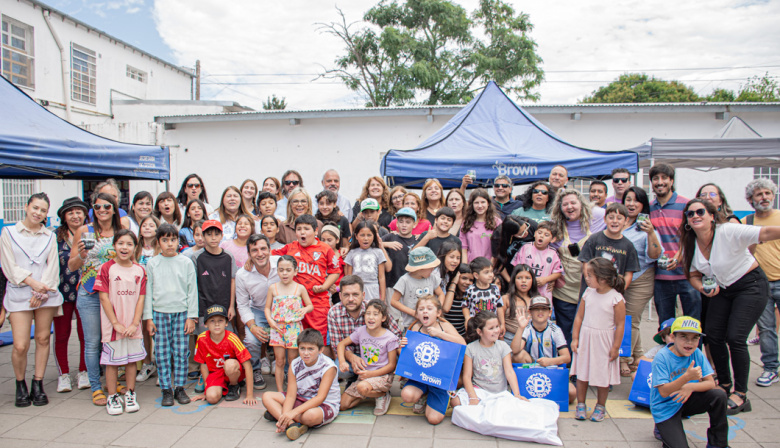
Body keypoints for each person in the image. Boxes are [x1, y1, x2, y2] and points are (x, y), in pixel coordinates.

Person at [678, 198, 780, 415]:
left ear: (712, 216)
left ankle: (741, 394)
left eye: (700, 212)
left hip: (750, 285)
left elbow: (766, 234)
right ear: (687, 220)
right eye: (690, 213)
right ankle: (724, 385)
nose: (695, 216)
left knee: (735, 337)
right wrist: (702, 289)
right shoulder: (690, 242)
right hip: (722, 289)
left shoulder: (728, 231)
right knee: (713, 335)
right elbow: (693, 274)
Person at [1, 193, 63, 407]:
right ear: (27, 207)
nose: (38, 213)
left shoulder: (49, 236)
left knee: (43, 338)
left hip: (45, 294)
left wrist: (42, 290)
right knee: (20, 344)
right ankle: (20, 383)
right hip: (20, 292)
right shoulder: (8, 233)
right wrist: (33, 285)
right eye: (35, 208)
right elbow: (9, 266)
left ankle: (38, 382)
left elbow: (53, 267)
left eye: (43, 210)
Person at [70, 192, 123, 405]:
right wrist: (82, 255)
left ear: (114, 209)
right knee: (92, 342)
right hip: (90, 292)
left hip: (115, 294)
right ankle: (95, 385)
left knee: (112, 340)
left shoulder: (121, 231)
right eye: (97, 207)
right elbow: (72, 266)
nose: (102, 211)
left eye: (107, 207)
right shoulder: (84, 231)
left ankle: (112, 380)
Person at [143, 223, 198, 406]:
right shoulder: (153, 263)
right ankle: (166, 388)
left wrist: (191, 316)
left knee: (181, 352)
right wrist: (148, 318)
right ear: (158, 242)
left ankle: (180, 388)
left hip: (181, 313)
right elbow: (148, 291)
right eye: (165, 240)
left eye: (173, 240)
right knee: (162, 352)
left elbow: (192, 291)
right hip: (160, 313)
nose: (169, 244)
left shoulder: (186, 262)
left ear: (177, 241)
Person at [651, 316, 727, 448]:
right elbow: (663, 392)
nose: (689, 342)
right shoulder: (662, 357)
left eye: (694, 338)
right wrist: (686, 378)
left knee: (719, 396)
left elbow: (711, 384)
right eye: (684, 336)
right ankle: (662, 427)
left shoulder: (696, 353)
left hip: (686, 399)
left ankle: (717, 444)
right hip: (665, 407)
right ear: (673, 338)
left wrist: (690, 386)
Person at [272, 214, 342, 354]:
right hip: (296, 302)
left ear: (316, 231)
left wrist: (324, 286)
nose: (302, 232)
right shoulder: (290, 247)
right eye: (299, 229)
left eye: (306, 229)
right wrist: (251, 259)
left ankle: (320, 371)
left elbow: (335, 271)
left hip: (318, 302)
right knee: (298, 339)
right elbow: (269, 255)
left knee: (317, 338)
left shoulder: (325, 249)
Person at [94, 229, 146, 415]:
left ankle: (130, 393)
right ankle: (112, 396)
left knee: (131, 361)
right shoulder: (106, 268)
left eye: (129, 244)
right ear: (114, 245)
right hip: (113, 326)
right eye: (121, 243)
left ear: (135, 247)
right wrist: (115, 323)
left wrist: (134, 323)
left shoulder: (140, 270)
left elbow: (141, 299)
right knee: (112, 362)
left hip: (132, 326)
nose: (125, 247)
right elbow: (104, 298)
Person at [571, 258, 626, 422]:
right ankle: (581, 404)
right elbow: (579, 317)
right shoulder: (588, 293)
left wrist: (616, 347)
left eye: (589, 275)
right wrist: (575, 338)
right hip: (586, 337)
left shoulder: (616, 299)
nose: (586, 278)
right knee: (582, 373)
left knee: (603, 376)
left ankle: (600, 406)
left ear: (602, 278)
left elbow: (620, 325)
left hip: (604, 340)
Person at [549, 188, 606, 347]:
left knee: (589, 331)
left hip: (590, 289)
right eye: (565, 204)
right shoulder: (556, 227)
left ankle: (586, 367)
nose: (569, 207)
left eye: (573, 202)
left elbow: (618, 217)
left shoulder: (597, 219)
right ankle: (569, 368)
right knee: (566, 332)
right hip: (564, 290)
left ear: (582, 204)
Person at [261, 329, 341, 440]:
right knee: (267, 396)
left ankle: (279, 415)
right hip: (301, 399)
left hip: (324, 405)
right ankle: (291, 424)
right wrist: (287, 416)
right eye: (302, 348)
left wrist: (291, 413)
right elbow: (290, 395)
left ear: (320, 350)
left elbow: (320, 398)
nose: (306, 353)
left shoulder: (328, 367)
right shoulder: (295, 364)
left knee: (310, 416)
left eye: (311, 349)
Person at [399, 295, 466, 424]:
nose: (425, 311)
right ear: (417, 313)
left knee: (434, 419)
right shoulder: (415, 327)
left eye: (429, 308)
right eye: (421, 309)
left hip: (440, 379)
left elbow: (462, 343)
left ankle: (440, 397)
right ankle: (423, 396)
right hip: (420, 375)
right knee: (407, 395)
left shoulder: (444, 326)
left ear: (438, 313)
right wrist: (403, 345)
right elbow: (409, 354)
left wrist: (439, 334)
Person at [649, 163, 700, 324]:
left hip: (687, 275)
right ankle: (668, 350)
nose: (660, 182)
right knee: (665, 325)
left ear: (671, 181)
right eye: (655, 178)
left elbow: (693, 237)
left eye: (664, 178)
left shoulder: (687, 205)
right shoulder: (649, 208)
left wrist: (679, 257)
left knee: (692, 324)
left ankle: (693, 351)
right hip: (661, 276)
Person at [327, 276, 402, 381]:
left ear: (363, 295)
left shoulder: (374, 309)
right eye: (346, 295)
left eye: (355, 294)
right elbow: (338, 344)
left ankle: (381, 381)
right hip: (354, 355)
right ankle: (356, 379)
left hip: (379, 355)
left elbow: (396, 334)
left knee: (396, 357)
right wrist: (352, 357)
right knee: (340, 369)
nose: (351, 299)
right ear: (340, 296)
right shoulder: (334, 313)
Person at [743, 179, 780, 387]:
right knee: (766, 329)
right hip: (761, 282)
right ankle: (771, 368)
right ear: (751, 199)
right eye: (759, 194)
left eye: (767, 193)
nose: (764, 197)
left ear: (773, 195)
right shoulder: (747, 221)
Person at [621, 186, 662, 374]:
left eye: (635, 200)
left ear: (643, 205)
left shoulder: (646, 226)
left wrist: (651, 233)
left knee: (630, 320)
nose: (631, 203)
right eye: (628, 199)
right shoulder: (618, 222)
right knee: (625, 319)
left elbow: (654, 255)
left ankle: (624, 359)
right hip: (619, 280)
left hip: (641, 279)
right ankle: (638, 356)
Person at [337, 299, 399, 416]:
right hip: (364, 377)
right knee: (343, 405)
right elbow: (341, 344)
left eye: (375, 314)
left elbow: (392, 365)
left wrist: (370, 375)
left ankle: (382, 395)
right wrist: (342, 362)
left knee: (362, 387)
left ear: (383, 318)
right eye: (368, 313)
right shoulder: (361, 331)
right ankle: (367, 393)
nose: (371, 317)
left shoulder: (390, 338)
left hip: (382, 376)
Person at [451, 310, 525, 407]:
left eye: (497, 326)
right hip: (479, 391)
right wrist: (472, 396)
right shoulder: (470, 348)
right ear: (479, 331)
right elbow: (467, 376)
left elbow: (509, 372)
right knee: (455, 402)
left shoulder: (503, 346)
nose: (496, 330)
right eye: (491, 328)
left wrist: (517, 394)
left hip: (499, 393)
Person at [53, 197, 89, 393]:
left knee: (86, 335)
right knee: (62, 334)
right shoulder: (56, 238)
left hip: (86, 291)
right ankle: (63, 374)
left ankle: (83, 371)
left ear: (85, 215)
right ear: (64, 217)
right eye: (71, 212)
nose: (75, 216)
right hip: (62, 292)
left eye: (79, 212)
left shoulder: (91, 234)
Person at [511, 295, 576, 403]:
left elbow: (567, 357)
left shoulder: (555, 330)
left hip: (551, 368)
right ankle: (525, 386)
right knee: (518, 355)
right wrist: (520, 328)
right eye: (536, 309)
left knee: (572, 393)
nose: (540, 312)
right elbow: (515, 350)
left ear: (550, 312)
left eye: (544, 309)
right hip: (531, 368)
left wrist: (550, 361)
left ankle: (546, 394)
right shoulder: (527, 327)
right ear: (530, 312)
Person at [266, 255, 314, 392]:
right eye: (281, 270)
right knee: (279, 360)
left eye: (288, 270)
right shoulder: (273, 288)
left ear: (295, 271)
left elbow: (310, 305)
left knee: (293, 360)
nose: (284, 273)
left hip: (293, 328)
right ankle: (280, 390)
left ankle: (293, 388)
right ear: (277, 271)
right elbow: (267, 307)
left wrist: (304, 309)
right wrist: (270, 320)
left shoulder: (300, 288)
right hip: (277, 328)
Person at [236, 234, 279, 387]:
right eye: (254, 251)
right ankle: (255, 370)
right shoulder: (242, 275)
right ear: (248, 254)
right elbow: (242, 305)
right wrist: (253, 326)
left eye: (263, 249)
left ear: (270, 250)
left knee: (290, 338)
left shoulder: (281, 264)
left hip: (281, 311)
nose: (260, 254)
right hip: (258, 311)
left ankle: (287, 370)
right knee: (251, 340)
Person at [192, 304, 256, 405]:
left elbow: (247, 365)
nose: (216, 324)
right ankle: (221, 387)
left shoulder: (232, 338)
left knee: (229, 364)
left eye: (220, 320)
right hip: (215, 374)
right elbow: (203, 365)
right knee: (211, 398)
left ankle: (234, 385)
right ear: (205, 324)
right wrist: (206, 389)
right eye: (212, 321)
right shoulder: (201, 339)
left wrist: (250, 395)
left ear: (226, 323)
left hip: (233, 371)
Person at [578, 203, 640, 293]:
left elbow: (628, 274)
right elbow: (586, 264)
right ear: (605, 219)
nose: (615, 221)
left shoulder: (628, 246)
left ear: (626, 221)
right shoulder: (594, 239)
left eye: (619, 218)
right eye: (611, 217)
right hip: (591, 291)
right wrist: (591, 284)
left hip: (613, 295)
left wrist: (618, 291)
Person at [391, 247, 445, 331]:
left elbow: (441, 294)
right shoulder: (404, 280)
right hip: (411, 324)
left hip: (431, 323)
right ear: (420, 268)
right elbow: (394, 301)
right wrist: (413, 313)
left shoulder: (432, 278)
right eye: (430, 267)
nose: (433, 269)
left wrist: (438, 308)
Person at [381, 208, 421, 322]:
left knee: (409, 318)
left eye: (408, 222)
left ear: (414, 224)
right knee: (393, 319)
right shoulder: (390, 237)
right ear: (396, 223)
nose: (404, 225)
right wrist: (386, 244)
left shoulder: (417, 240)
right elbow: (374, 243)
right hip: (392, 285)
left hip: (410, 286)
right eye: (401, 221)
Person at [511, 220, 562, 300]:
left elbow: (558, 272)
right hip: (524, 292)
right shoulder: (525, 248)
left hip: (543, 293)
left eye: (546, 235)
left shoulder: (553, 253)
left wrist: (545, 279)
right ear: (535, 233)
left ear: (552, 239)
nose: (541, 236)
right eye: (539, 233)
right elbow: (516, 267)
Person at [344, 220, 390, 303]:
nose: (366, 238)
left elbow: (381, 277)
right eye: (362, 235)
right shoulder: (352, 253)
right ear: (356, 236)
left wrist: (383, 298)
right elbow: (349, 276)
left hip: (373, 289)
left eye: (369, 235)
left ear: (374, 236)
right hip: (356, 289)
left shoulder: (378, 252)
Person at [462, 257, 505, 335]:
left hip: (492, 325)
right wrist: (467, 318)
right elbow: (465, 306)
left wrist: (502, 323)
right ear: (476, 275)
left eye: (491, 272)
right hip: (476, 326)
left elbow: (499, 306)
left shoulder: (495, 288)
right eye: (486, 272)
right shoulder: (470, 290)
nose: (491, 275)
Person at [460, 188, 502, 263]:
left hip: (489, 267)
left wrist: (490, 268)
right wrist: (465, 268)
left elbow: (499, 249)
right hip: (472, 266)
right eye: (476, 203)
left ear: (488, 203)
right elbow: (464, 249)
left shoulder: (497, 222)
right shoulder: (466, 223)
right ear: (472, 204)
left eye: (483, 202)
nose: (480, 206)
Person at [501, 265, 535, 344]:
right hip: (509, 339)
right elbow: (500, 324)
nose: (523, 281)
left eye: (527, 278)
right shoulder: (506, 299)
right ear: (513, 280)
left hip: (532, 340)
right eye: (519, 278)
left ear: (533, 281)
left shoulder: (536, 300)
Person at [443, 263, 472, 338]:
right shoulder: (447, 293)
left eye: (471, 280)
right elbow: (445, 309)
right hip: (446, 336)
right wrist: (454, 282)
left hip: (462, 337)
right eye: (464, 278)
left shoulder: (470, 296)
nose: (467, 282)